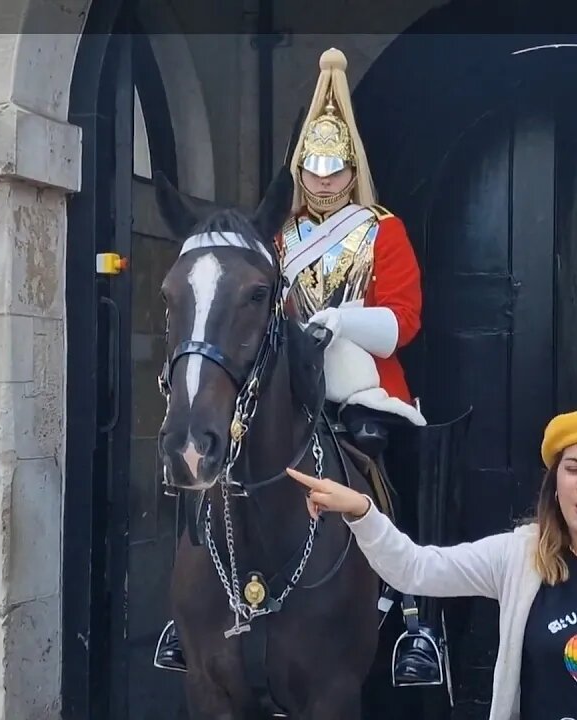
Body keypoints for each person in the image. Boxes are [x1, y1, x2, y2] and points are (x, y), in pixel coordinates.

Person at [155, 47, 465, 692]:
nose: (323, 180)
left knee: (388, 448)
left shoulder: (383, 232)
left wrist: (342, 322)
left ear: (353, 171)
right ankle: (187, 613)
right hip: (282, 373)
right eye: (313, 168)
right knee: (217, 440)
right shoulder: (275, 238)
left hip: (358, 373)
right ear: (300, 171)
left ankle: (414, 618)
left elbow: (403, 320)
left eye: (335, 168)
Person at [287, 408, 577, 720]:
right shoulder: (521, 556)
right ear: (555, 484)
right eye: (573, 468)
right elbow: (415, 568)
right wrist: (362, 511)